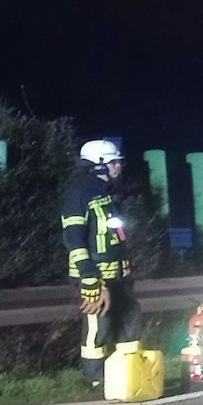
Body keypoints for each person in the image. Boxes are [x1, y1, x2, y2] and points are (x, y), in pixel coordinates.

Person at [61, 139, 144, 390]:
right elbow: (74, 240)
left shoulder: (107, 195)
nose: (118, 166)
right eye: (113, 162)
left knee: (131, 319)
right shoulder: (79, 195)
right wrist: (89, 278)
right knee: (99, 327)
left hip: (118, 276)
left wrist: (125, 265)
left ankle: (129, 372)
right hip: (93, 277)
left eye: (118, 161)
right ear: (97, 165)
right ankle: (96, 379)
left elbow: (115, 237)